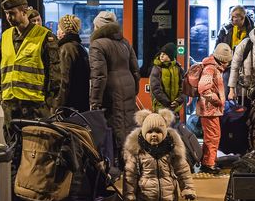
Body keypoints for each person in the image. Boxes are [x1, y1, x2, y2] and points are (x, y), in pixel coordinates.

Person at [0, 0, 60, 146]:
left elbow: (54, 73)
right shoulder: (5, 36)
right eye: (7, 14)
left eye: (12, 13)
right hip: (10, 104)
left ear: (24, 12)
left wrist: (49, 102)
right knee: (13, 145)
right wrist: (0, 96)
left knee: (36, 148)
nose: (9, 17)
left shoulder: (44, 36)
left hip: (35, 104)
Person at [123, 108, 196, 201]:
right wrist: (129, 194)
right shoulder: (138, 151)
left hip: (167, 200)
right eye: (150, 132)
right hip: (145, 199)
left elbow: (183, 170)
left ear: (164, 132)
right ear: (144, 132)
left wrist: (188, 188)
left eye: (158, 131)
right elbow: (130, 174)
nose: (154, 135)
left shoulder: (171, 149)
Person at [89, 11, 140, 166]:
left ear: (97, 26)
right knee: (127, 125)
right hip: (128, 87)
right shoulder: (125, 42)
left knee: (113, 127)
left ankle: (116, 165)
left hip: (111, 91)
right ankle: (130, 164)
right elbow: (135, 70)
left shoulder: (97, 44)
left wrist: (94, 101)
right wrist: (134, 89)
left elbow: (99, 76)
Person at [197, 43, 233, 174]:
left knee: (212, 136)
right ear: (223, 60)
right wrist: (217, 100)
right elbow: (203, 88)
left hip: (211, 109)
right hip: (209, 109)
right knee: (213, 136)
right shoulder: (210, 69)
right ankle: (208, 164)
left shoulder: (213, 68)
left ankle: (209, 161)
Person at [56, 14, 90, 112]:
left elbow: (63, 80)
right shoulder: (80, 47)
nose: (57, 32)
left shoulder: (65, 48)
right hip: (81, 102)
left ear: (64, 31)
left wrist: (58, 106)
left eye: (59, 28)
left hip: (69, 104)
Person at [149, 42, 185, 115]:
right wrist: (167, 103)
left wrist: (178, 101)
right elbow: (155, 88)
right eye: (161, 53)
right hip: (161, 107)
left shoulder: (178, 68)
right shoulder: (157, 68)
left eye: (164, 54)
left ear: (170, 56)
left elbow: (184, 87)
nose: (161, 56)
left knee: (174, 125)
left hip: (175, 107)